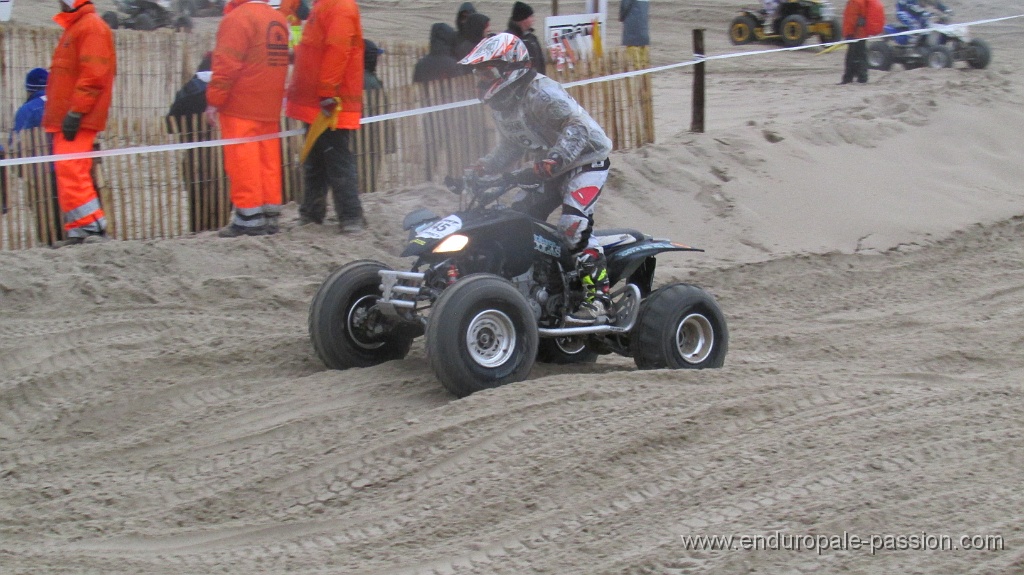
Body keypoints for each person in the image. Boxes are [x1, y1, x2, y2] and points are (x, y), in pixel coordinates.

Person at [459, 33, 614, 324]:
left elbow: (577, 127)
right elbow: (512, 144)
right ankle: (537, 285)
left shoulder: (541, 92)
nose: (481, 80)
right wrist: (485, 166)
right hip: (548, 168)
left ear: (510, 67)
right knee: (513, 220)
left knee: (571, 227)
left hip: (586, 160)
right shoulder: (503, 104)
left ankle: (599, 301)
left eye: (487, 72)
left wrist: (555, 160)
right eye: (478, 73)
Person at [206, 0, 289, 237]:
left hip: (240, 105)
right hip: (269, 105)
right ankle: (270, 215)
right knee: (268, 162)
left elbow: (225, 65)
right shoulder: (277, 19)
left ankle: (249, 220)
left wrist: (214, 100)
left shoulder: (237, 19)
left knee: (243, 162)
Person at [286, 0, 366, 233]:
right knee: (315, 160)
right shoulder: (324, 6)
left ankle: (351, 217)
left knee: (336, 160)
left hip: (330, 103)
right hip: (317, 101)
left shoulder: (339, 7)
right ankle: (312, 212)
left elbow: (338, 49)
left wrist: (327, 92)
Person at [43, 0, 117, 246]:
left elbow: (94, 75)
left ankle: (93, 228)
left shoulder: (90, 27)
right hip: (67, 115)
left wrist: (77, 111)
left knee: (72, 170)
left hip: (76, 116)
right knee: (67, 171)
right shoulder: (79, 27)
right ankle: (79, 230)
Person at [167, 52, 222, 233]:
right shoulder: (227, 89)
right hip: (223, 154)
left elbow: (170, 123)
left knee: (196, 201)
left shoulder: (188, 90)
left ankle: (198, 230)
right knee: (223, 198)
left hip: (193, 155)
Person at [8, 67, 64, 244]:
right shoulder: (64, 103)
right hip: (68, 168)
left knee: (44, 218)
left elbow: (15, 143)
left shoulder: (28, 110)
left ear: (29, 89)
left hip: (39, 173)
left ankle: (49, 242)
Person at [841, 0, 885, 84]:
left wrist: (849, 33)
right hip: (861, 32)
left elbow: (851, 19)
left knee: (852, 57)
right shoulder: (862, 1)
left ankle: (851, 78)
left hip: (855, 33)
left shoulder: (855, 2)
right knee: (860, 55)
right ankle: (860, 77)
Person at [506, 1, 545, 75]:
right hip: (517, 84)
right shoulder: (508, 39)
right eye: (531, 16)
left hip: (536, 82)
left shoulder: (532, 39)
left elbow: (541, 62)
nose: (533, 19)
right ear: (523, 19)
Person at [619, 0, 650, 66]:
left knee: (632, 50)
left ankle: (636, 71)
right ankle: (645, 72)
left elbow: (625, 5)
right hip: (643, 24)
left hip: (632, 23)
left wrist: (621, 17)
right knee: (643, 49)